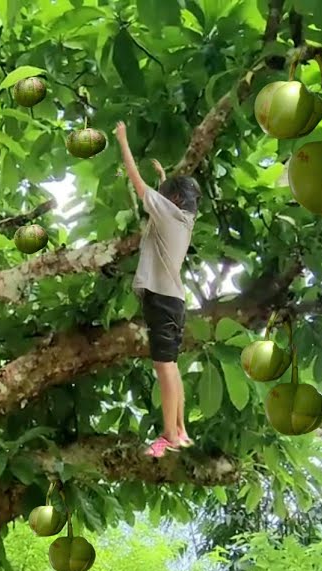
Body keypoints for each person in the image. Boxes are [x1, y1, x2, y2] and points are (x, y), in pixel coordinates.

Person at [113, 121, 201, 458]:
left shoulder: (167, 214)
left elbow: (138, 183)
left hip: (162, 301)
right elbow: (164, 198)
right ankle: (180, 429)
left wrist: (123, 140)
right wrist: (165, 177)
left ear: (174, 200)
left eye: (166, 194)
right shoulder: (182, 219)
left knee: (164, 367)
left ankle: (168, 435)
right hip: (174, 301)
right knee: (172, 365)